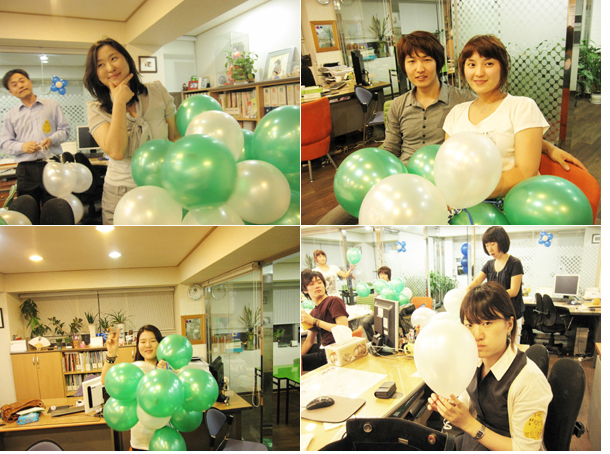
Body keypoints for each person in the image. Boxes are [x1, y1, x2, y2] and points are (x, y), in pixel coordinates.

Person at [384, 31, 586, 172]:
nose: (419, 68)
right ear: (403, 66)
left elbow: (499, 127)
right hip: (408, 175)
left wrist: (548, 147)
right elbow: (390, 148)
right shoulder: (398, 105)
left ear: (438, 63)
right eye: (411, 61)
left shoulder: (463, 100)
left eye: (427, 60)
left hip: (445, 178)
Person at [428, 282, 552, 451]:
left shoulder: (530, 381)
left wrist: (468, 423)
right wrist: (454, 407)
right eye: (470, 324)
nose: (477, 335)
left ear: (509, 325)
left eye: (487, 323)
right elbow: (469, 396)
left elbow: (525, 450)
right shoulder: (474, 360)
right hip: (473, 443)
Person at [83, 38, 181, 225]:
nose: (110, 68)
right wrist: (119, 102)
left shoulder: (157, 92)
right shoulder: (96, 110)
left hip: (162, 188)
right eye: (100, 64)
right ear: (95, 74)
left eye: (114, 58)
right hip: (121, 193)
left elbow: (175, 138)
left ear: (127, 59)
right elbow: (117, 152)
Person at [444, 34, 549, 198]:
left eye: (488, 64)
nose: (479, 72)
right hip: (464, 202)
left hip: (513, 201)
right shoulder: (456, 113)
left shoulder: (522, 107)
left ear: (503, 67)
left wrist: (472, 192)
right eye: (471, 64)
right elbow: (449, 167)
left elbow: (525, 172)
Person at [0, 69, 71, 208]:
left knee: (56, 207)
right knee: (27, 209)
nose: (20, 85)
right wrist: (22, 147)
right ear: (11, 92)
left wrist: (51, 139)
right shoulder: (10, 115)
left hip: (52, 164)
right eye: (14, 84)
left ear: (30, 82)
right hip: (26, 170)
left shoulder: (52, 105)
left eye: (22, 81)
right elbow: (4, 143)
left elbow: (65, 131)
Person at [101, 324, 170, 451]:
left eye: (153, 341)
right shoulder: (133, 371)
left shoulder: (169, 369)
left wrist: (163, 377)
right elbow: (106, 381)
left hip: (165, 441)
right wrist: (111, 354)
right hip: (140, 441)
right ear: (138, 345)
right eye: (143, 341)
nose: (147, 345)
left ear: (160, 343)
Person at [467, 226, 525, 342]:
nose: (490, 249)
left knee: (512, 345)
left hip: (512, 313)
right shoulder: (489, 264)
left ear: (502, 242)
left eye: (492, 244)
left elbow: (514, 291)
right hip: (495, 314)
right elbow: (477, 282)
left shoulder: (515, 263)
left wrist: (490, 296)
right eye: (487, 245)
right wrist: (467, 292)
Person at [300, 269, 349, 371]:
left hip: (337, 349)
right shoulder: (314, 312)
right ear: (305, 290)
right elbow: (309, 341)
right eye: (312, 284)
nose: (317, 286)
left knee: (300, 362)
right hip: (325, 347)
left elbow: (343, 328)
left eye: (319, 282)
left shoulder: (334, 301)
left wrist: (314, 321)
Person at [362, 266, 391, 341]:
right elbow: (376, 300)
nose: (382, 276)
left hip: (390, 311)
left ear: (388, 275)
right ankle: (373, 341)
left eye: (384, 274)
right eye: (380, 274)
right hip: (378, 310)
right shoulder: (377, 286)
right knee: (365, 322)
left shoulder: (392, 285)